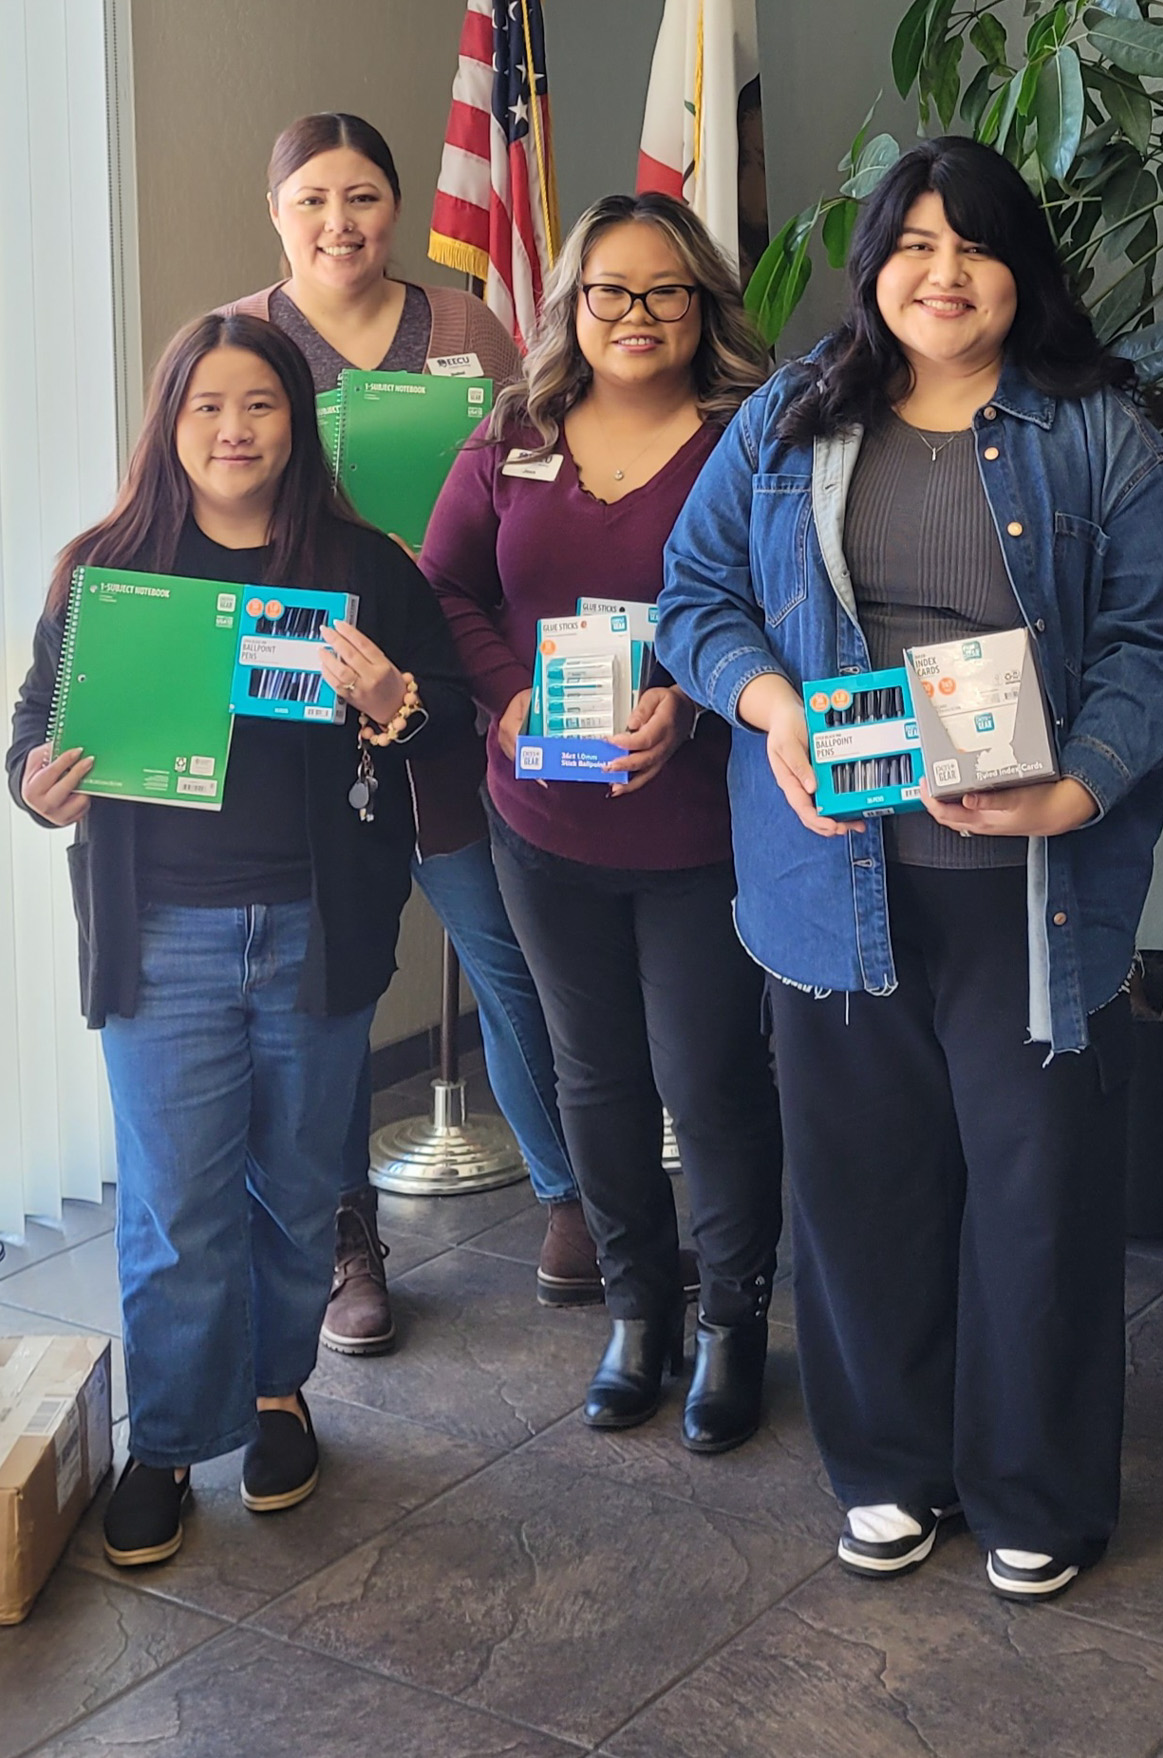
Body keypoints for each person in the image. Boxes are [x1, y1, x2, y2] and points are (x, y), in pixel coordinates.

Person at [659, 136, 1163, 1600]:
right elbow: (693, 595)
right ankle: (892, 1471)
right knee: (859, 1188)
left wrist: (1080, 782)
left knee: (1037, 1194)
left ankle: (1034, 1488)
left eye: (972, 244)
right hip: (833, 873)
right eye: (912, 242)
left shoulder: (1096, 433)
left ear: (1019, 267)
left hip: (1031, 882)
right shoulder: (788, 418)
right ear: (874, 270)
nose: (942, 271)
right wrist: (771, 706)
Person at [5, 313, 469, 1566]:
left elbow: (448, 727)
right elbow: (32, 740)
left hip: (319, 928)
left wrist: (395, 704)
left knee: (298, 1190)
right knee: (173, 1206)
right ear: (170, 423)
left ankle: (275, 1392)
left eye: (258, 404)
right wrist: (38, 784)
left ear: (295, 422)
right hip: (161, 939)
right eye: (206, 405)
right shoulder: (108, 570)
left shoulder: (365, 570)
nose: (232, 429)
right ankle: (165, 1438)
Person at [224, 111, 589, 1348]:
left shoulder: (470, 331)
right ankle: (346, 1241)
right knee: (328, 991)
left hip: (445, 695)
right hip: (299, 713)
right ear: (277, 213)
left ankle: (569, 1198)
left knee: (509, 951)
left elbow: (534, 484)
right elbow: (194, 503)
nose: (342, 222)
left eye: (365, 195)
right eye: (315, 197)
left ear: (398, 206)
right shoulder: (235, 342)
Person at [425, 192, 784, 1450]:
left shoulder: (751, 438)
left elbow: (790, 608)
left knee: (710, 1078)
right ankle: (639, 1313)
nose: (635, 316)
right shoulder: (513, 434)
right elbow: (447, 589)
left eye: (665, 292)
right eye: (609, 291)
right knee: (595, 1077)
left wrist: (692, 697)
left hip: (699, 832)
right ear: (571, 304)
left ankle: (732, 1322)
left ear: (703, 307)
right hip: (540, 822)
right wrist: (505, 699)